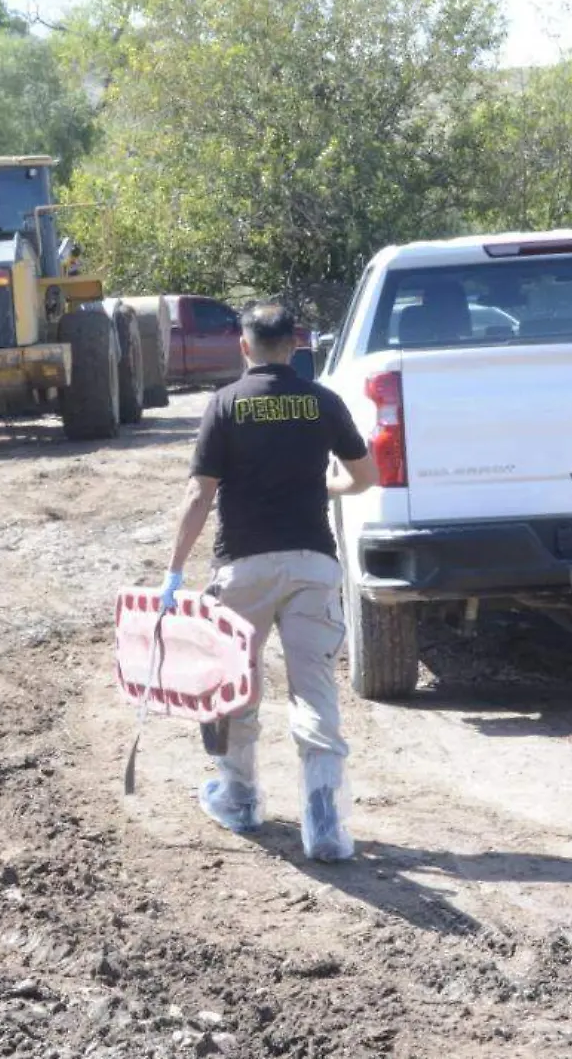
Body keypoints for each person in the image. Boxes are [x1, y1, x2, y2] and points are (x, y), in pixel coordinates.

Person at [159, 303, 379, 862]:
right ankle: (326, 826)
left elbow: (199, 494)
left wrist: (175, 570)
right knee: (315, 691)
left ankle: (239, 800)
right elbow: (363, 476)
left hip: (244, 569)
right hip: (312, 563)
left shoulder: (226, 404)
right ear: (294, 346)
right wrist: (322, 490)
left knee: (234, 685)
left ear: (244, 346)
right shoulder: (323, 402)